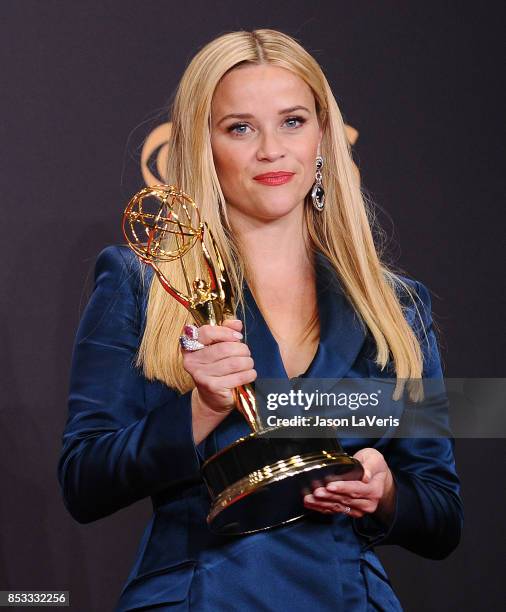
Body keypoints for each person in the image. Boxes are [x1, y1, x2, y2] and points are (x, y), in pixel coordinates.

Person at [57, 29, 463, 612]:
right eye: (240, 127)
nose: (271, 149)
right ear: (203, 143)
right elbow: (84, 480)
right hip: (198, 598)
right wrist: (198, 411)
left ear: (324, 135)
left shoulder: (397, 307)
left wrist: (387, 491)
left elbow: (442, 516)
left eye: (293, 121)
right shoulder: (140, 280)